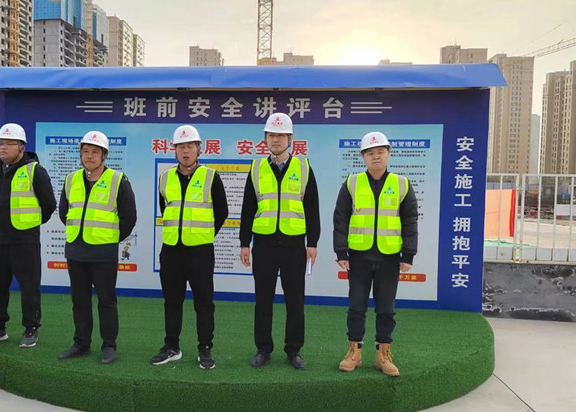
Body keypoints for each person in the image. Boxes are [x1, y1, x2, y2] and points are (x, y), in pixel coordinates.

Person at [332, 131, 418, 377]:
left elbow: (410, 221)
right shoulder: (352, 183)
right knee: (356, 306)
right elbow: (341, 219)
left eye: (380, 151)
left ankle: (383, 354)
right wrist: (341, 252)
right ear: (363, 157)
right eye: (370, 153)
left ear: (388, 154)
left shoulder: (402, 184)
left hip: (389, 257)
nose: (376, 156)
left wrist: (408, 254)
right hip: (358, 256)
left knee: (386, 309)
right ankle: (354, 353)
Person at [239, 113, 320, 370]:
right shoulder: (256, 168)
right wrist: (244, 243)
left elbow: (312, 207)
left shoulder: (303, 168)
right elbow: (247, 208)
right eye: (271, 135)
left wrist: (313, 242)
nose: (276, 139)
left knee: (295, 301)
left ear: (290, 138)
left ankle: (293, 350)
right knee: (263, 300)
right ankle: (263, 348)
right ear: (265, 139)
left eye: (281, 135)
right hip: (263, 245)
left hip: (294, 245)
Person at [152, 124, 229, 369]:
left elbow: (222, 212)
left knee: (204, 302)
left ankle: (205, 348)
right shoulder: (165, 178)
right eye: (181, 147)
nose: (185, 151)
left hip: (200, 251)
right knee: (172, 301)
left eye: (190, 146)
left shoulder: (211, 176)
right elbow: (165, 209)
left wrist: (202, 234)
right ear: (174, 150)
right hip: (171, 250)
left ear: (199, 149)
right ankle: (171, 346)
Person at [57, 131, 137, 363]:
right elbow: (64, 212)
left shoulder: (118, 180)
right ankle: (81, 344)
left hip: (103, 253)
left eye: (95, 152)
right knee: (79, 302)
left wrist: (109, 237)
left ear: (104, 155)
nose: (89, 156)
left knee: (106, 301)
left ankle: (109, 345)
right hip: (76, 250)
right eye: (85, 151)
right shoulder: (71, 179)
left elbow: (129, 218)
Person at [0, 123, 56, 348]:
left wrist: (29, 224)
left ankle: (31, 329)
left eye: (9, 143)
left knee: (29, 287)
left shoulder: (35, 171)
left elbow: (49, 204)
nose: (3, 147)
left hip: (24, 240)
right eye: (0, 143)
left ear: (21, 146)